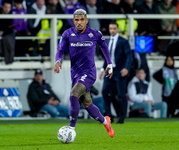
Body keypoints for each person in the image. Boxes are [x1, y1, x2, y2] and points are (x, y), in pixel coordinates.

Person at [54, 9, 114, 138]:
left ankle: (70, 129)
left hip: (89, 73)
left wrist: (109, 63)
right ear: (73, 21)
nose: (79, 22)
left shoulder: (95, 34)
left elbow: (104, 46)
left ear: (86, 20)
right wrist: (58, 61)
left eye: (82, 20)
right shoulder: (67, 34)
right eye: (77, 20)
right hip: (75, 73)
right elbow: (60, 49)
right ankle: (105, 122)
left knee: (73, 95)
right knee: (87, 104)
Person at [99, 22, 133, 124]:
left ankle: (122, 117)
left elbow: (129, 56)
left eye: (114, 28)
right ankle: (109, 116)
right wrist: (102, 70)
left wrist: (126, 68)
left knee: (121, 95)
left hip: (119, 71)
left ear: (118, 29)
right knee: (105, 92)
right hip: (109, 70)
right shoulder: (107, 41)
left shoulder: (123, 41)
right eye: (111, 28)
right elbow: (106, 57)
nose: (112, 30)